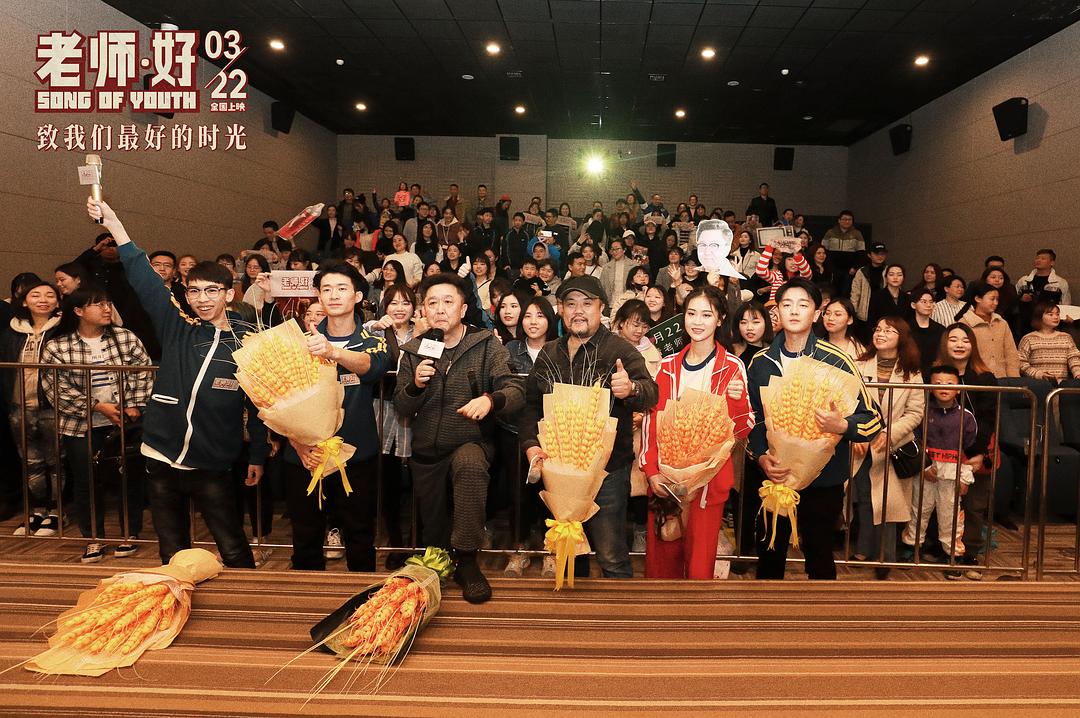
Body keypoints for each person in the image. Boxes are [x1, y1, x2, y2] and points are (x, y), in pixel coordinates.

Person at [87, 197, 269, 569]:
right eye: (195, 291)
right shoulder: (178, 327)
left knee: (234, 549)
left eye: (212, 291)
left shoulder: (250, 340)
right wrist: (114, 223)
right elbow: (143, 277)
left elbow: (259, 403)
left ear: (228, 293)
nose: (203, 299)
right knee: (172, 553)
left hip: (213, 461)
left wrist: (257, 455)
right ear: (185, 294)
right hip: (160, 455)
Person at [393, 273, 525, 603]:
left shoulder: (486, 345)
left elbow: (515, 389)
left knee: (469, 464)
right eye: (432, 303)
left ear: (463, 309)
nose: (440, 309)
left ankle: (467, 561)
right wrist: (415, 386)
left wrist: (491, 400)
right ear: (424, 310)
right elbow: (402, 406)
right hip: (426, 448)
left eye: (448, 302)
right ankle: (438, 559)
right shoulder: (414, 351)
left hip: (470, 441)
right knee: (434, 532)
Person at [519, 275, 660, 580]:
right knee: (570, 553)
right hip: (559, 472)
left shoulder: (619, 350)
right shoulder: (549, 353)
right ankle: (575, 609)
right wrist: (530, 445)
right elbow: (531, 405)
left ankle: (616, 609)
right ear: (560, 309)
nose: (578, 311)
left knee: (611, 556)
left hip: (607, 474)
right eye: (571, 304)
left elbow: (652, 393)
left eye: (586, 303)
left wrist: (631, 389)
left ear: (601, 308)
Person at [746, 278, 882, 580]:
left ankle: (820, 611)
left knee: (820, 559)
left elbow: (872, 419)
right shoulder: (761, 362)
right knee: (769, 557)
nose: (794, 311)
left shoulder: (837, 360)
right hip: (775, 477)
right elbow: (752, 419)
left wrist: (842, 425)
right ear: (777, 312)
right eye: (787, 304)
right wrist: (761, 456)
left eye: (803, 305)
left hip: (824, 480)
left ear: (816, 314)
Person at [264, 262, 390, 572]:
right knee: (305, 535)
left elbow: (373, 367)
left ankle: (362, 597)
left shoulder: (373, 338)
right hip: (305, 456)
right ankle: (308, 595)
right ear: (318, 297)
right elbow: (277, 396)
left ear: (357, 296)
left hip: (356, 454)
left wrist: (333, 351)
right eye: (327, 289)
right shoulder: (299, 341)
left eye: (342, 288)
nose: (333, 295)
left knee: (359, 534)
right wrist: (297, 443)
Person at [641, 287, 755, 579]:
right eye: (691, 313)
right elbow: (651, 423)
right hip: (666, 482)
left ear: (720, 319)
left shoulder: (732, 367)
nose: (697, 321)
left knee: (698, 567)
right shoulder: (667, 366)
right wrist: (652, 471)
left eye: (706, 315)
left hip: (708, 485)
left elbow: (743, 429)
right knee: (662, 564)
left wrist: (737, 401)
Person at [41, 285, 152, 562]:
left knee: (129, 478)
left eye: (108, 303)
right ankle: (94, 538)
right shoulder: (58, 346)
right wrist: (96, 406)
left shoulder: (125, 337)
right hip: (81, 424)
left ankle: (130, 534)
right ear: (79, 311)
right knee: (86, 481)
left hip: (125, 420)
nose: (106, 309)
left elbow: (143, 372)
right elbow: (56, 387)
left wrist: (133, 405)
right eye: (98, 304)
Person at [851, 317, 925, 578]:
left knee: (887, 503)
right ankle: (863, 549)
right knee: (863, 499)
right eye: (878, 329)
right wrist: (858, 434)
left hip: (892, 445)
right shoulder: (859, 364)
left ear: (901, 337)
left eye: (889, 330)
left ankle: (885, 557)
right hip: (862, 442)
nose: (881, 333)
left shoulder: (912, 373)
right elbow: (847, 402)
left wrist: (888, 433)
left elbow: (915, 413)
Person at [365, 285, 428, 569]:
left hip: (418, 411)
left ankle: (418, 539)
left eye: (406, 303)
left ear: (414, 308)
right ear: (384, 306)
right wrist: (373, 325)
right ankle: (395, 540)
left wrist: (421, 334)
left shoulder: (424, 332)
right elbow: (359, 339)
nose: (400, 308)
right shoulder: (377, 332)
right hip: (383, 410)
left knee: (420, 481)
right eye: (393, 303)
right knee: (387, 481)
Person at [899, 365, 977, 577]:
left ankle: (953, 555)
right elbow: (913, 441)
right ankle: (911, 547)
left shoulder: (966, 417)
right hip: (926, 471)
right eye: (938, 383)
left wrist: (965, 478)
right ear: (930, 387)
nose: (944, 388)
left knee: (950, 516)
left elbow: (968, 450)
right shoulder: (922, 413)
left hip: (952, 474)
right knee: (918, 511)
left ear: (958, 388)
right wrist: (923, 466)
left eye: (949, 384)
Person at [935, 323, 998, 579]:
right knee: (943, 504)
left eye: (965, 340)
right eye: (953, 339)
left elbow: (987, 419)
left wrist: (977, 452)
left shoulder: (985, 378)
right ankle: (946, 552)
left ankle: (969, 552)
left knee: (973, 505)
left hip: (975, 450)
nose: (959, 344)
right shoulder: (934, 374)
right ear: (945, 343)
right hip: (941, 449)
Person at [502, 296, 559, 577]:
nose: (533, 322)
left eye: (540, 315)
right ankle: (519, 549)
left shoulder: (560, 350)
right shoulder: (510, 350)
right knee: (518, 494)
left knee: (553, 494)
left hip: (553, 433)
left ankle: (552, 551)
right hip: (514, 431)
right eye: (527, 316)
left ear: (550, 320)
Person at [1, 281, 64, 536]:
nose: (43, 299)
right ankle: (37, 510)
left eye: (50, 295)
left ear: (58, 302)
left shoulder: (63, 329)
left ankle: (57, 511)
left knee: (56, 461)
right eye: (35, 295)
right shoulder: (12, 332)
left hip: (51, 406)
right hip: (19, 406)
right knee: (30, 462)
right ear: (25, 302)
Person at [959, 282, 1020, 379]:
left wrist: (1014, 379)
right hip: (976, 379)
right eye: (992, 299)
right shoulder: (965, 323)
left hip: (1002, 379)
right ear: (978, 298)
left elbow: (1011, 354)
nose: (996, 303)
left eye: (997, 299)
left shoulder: (1002, 323)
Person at [1018, 301, 1080, 382]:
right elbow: (1021, 362)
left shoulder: (1066, 337)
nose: (1056, 317)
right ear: (1040, 316)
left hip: (1062, 385)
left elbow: (1074, 358)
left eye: (1057, 314)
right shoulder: (1028, 338)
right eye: (1051, 314)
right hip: (1038, 384)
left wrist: (1077, 373)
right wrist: (1039, 374)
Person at [820, 210, 865, 284]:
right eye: (844, 219)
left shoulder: (857, 234)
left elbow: (861, 253)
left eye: (849, 219)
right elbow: (823, 250)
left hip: (850, 270)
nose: (847, 221)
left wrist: (855, 267)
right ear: (839, 220)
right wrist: (828, 266)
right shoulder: (830, 232)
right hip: (832, 268)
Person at [909, 288, 946, 379]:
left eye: (931, 302)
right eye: (924, 302)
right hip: (910, 373)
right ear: (913, 305)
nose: (928, 305)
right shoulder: (906, 328)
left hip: (934, 374)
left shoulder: (940, 329)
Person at [849, 242, 889, 323]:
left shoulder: (889, 271)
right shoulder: (862, 271)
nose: (880, 256)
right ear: (869, 255)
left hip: (884, 311)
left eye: (882, 254)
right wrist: (853, 311)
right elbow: (855, 293)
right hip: (865, 312)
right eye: (877, 254)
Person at [867, 263, 910, 329]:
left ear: (903, 278)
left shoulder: (907, 297)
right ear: (886, 278)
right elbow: (871, 320)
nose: (895, 277)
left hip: (902, 332)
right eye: (891, 274)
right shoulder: (877, 296)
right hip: (883, 331)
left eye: (899, 275)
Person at [599, 238, 633, 313]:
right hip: (611, 305)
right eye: (612, 249)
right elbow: (601, 287)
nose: (614, 252)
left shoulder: (633, 266)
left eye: (617, 249)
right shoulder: (606, 267)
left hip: (628, 305)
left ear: (624, 250)